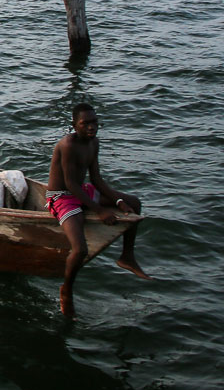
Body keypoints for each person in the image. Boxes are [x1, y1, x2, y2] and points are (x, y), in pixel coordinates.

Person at [46, 103, 150, 317]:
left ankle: (127, 256)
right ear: (75, 125)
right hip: (62, 196)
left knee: (135, 203)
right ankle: (66, 290)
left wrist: (118, 201)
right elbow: (71, 185)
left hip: (82, 190)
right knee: (80, 249)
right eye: (86, 123)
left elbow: (96, 180)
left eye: (94, 122)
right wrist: (100, 210)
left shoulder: (94, 143)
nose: (92, 127)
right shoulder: (67, 144)